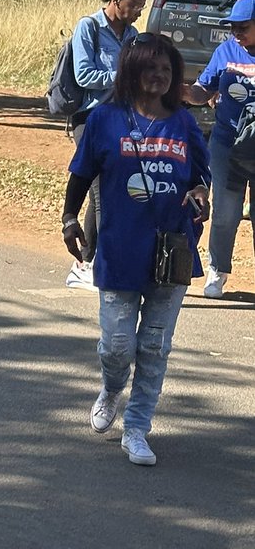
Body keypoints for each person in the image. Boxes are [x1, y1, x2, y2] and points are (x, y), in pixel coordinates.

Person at [62, 34, 210, 467]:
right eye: (150, 68)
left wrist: (200, 194)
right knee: (117, 346)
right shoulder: (105, 119)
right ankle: (111, 387)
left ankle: (138, 428)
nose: (159, 76)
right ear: (131, 71)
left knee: (155, 346)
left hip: (172, 251)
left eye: (166, 69)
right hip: (119, 249)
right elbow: (80, 175)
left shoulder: (184, 124)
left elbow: (201, 177)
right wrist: (70, 219)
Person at [65, 0, 147, 290]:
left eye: (141, 6)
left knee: (101, 193)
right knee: (103, 194)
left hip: (122, 120)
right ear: (115, 1)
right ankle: (98, 265)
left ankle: (85, 261)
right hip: (90, 120)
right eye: (133, 5)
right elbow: (84, 74)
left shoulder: (133, 35)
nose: (138, 11)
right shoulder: (89, 28)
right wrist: (124, 75)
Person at [183, 0, 255, 299]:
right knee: (226, 214)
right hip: (227, 145)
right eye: (233, 26)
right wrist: (185, 92)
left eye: (244, 26)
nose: (237, 31)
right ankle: (218, 269)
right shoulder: (225, 51)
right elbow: (203, 90)